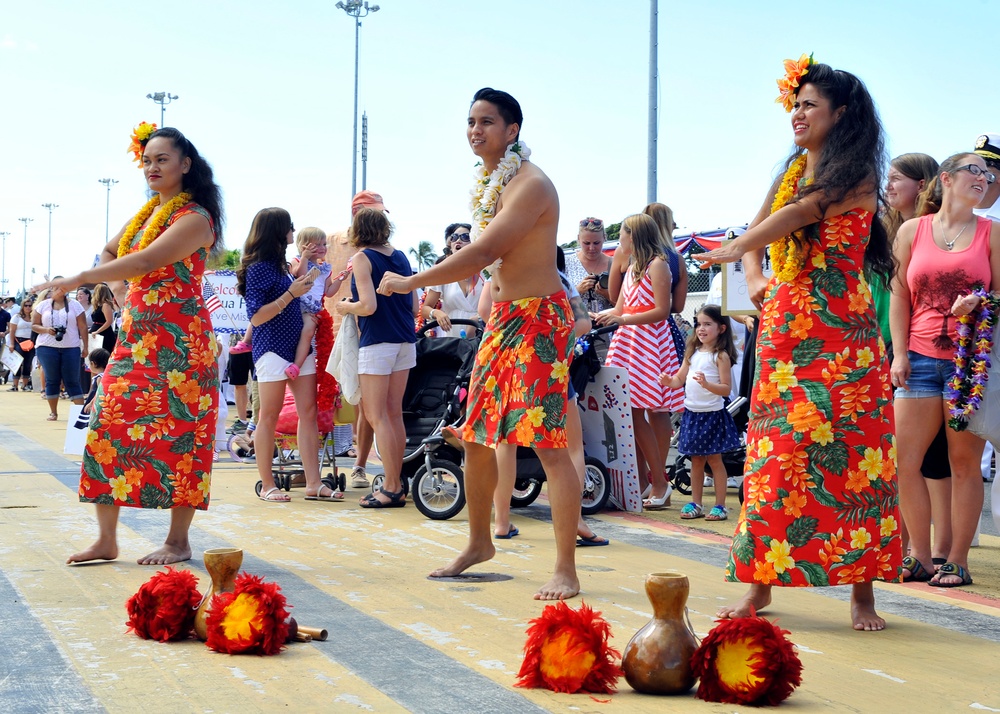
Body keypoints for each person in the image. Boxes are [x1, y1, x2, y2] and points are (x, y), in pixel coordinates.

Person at [698, 58, 901, 630]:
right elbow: (763, 221)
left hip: (844, 333)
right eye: (797, 103)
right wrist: (755, 274)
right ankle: (758, 583)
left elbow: (799, 216)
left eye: (811, 104)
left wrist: (737, 250)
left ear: (841, 114)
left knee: (856, 456)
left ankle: (862, 593)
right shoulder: (791, 170)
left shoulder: (855, 174)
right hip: (788, 329)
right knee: (775, 456)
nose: (799, 113)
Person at [378, 87, 583, 600]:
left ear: (512, 130)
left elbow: (485, 250)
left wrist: (411, 282)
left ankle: (565, 567)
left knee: (548, 442)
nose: (475, 130)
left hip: (539, 320)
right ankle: (478, 543)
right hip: (504, 320)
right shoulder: (496, 181)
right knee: (475, 434)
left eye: (487, 121)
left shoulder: (531, 184)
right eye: (471, 121)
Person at [36, 125, 224, 565]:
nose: (153, 167)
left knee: (183, 434)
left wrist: (81, 279)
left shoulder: (195, 218)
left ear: (185, 165)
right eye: (148, 160)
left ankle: (178, 540)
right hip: (137, 341)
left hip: (182, 346)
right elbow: (111, 250)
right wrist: (120, 293)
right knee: (106, 425)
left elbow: (145, 260)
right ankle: (107, 539)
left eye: (162, 159)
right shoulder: (144, 215)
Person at [890, 151, 1000, 588]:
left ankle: (957, 559)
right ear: (946, 179)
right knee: (906, 462)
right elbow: (899, 294)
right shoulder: (911, 231)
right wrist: (899, 353)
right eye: (975, 169)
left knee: (963, 463)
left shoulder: (992, 233)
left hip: (969, 362)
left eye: (988, 174)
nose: (985, 177)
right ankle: (920, 555)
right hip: (917, 358)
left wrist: (981, 302)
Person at [485, 247, 609, 546]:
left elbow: (484, 314)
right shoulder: (559, 281)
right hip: (545, 365)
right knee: (571, 448)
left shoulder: (501, 274)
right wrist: (552, 340)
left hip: (506, 364)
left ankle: (501, 520)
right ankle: (575, 520)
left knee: (505, 443)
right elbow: (583, 324)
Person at [237, 207, 342, 503]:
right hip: (271, 347)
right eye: (290, 227)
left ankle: (313, 482)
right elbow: (256, 316)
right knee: (268, 416)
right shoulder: (258, 267)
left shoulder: (282, 265)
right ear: (278, 231)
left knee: (307, 413)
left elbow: (299, 292)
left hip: (299, 346)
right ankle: (268, 484)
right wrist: (291, 295)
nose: (294, 233)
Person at [594, 213, 683, 509]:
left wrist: (623, 318)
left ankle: (659, 482)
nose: (619, 238)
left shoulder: (657, 265)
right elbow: (619, 305)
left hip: (647, 343)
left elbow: (663, 310)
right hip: (630, 341)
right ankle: (650, 481)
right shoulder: (633, 266)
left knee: (641, 411)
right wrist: (600, 317)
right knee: (631, 414)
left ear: (634, 235)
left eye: (622, 233)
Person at [335, 208, 417, 507]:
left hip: (377, 341)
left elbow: (367, 306)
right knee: (394, 414)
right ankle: (397, 482)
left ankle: (391, 485)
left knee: (376, 415)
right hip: (405, 340)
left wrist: (346, 306)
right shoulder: (401, 257)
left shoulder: (362, 258)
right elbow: (413, 305)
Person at [660, 304, 739, 521]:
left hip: (712, 415)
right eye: (698, 324)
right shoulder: (692, 352)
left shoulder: (720, 356)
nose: (701, 329)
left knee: (714, 461)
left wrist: (706, 385)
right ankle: (696, 503)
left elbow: (726, 389)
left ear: (721, 328)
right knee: (695, 460)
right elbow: (679, 379)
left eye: (707, 324)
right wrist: (670, 381)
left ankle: (720, 506)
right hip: (692, 414)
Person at [286, 227, 351, 380]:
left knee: (309, 332)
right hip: (298, 306)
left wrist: (340, 279)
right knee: (304, 332)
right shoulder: (296, 261)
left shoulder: (325, 268)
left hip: (313, 309)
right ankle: (296, 363)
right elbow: (300, 276)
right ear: (304, 246)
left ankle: (297, 365)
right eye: (317, 245)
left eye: (324, 244)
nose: (322, 248)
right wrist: (304, 258)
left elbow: (328, 292)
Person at [32, 280, 88, 421]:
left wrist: (86, 347)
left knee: (73, 381)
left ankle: (81, 414)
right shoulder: (43, 305)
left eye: (63, 287)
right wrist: (46, 330)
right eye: (56, 287)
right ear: (52, 289)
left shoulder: (75, 305)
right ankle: (53, 412)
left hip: (71, 347)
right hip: (47, 347)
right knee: (52, 380)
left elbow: (82, 327)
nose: (60, 290)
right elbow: (34, 325)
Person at [420, 223, 484, 338]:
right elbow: (425, 309)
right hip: (451, 337)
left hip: (482, 332)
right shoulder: (443, 273)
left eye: (465, 237)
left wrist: (478, 318)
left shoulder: (487, 271)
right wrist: (436, 313)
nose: (458, 241)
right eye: (454, 237)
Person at [563, 218, 614, 313]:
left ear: (604, 238)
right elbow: (556, 302)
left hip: (608, 325)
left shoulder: (614, 264)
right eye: (586, 243)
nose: (591, 248)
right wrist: (577, 291)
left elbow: (626, 304)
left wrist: (606, 294)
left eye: (596, 243)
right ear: (578, 239)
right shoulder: (566, 263)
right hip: (577, 325)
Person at [7, 298, 35, 391]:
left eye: (29, 305)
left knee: (27, 363)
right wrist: (11, 344)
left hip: (30, 342)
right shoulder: (17, 317)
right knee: (17, 363)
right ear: (22, 306)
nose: (28, 307)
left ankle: (25, 385)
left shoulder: (34, 317)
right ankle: (15, 385)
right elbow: (12, 331)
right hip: (19, 341)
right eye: (25, 305)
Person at [88, 283, 117, 353]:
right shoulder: (97, 305)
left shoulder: (105, 305)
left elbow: (109, 321)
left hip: (104, 334)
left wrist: (97, 331)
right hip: (96, 332)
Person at [82, 347, 110, 414]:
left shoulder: (100, 378)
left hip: (97, 404)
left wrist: (91, 403)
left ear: (93, 363)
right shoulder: (106, 376)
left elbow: (99, 393)